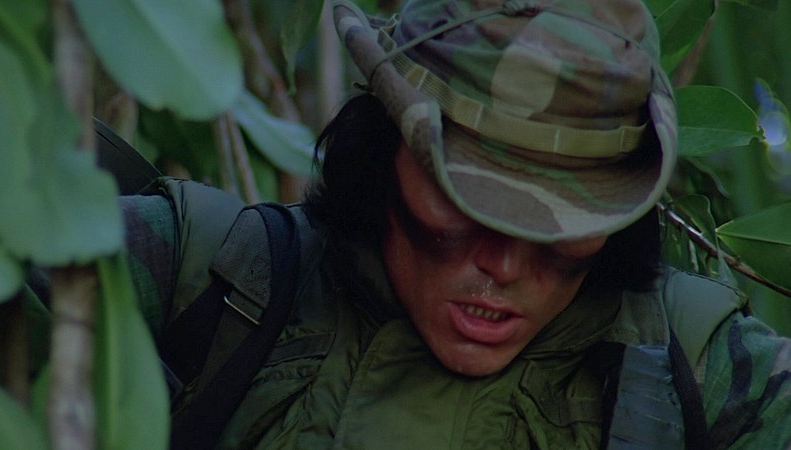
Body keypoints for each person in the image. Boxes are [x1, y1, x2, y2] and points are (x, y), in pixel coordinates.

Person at [118, 0, 791, 448]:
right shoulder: (206, 274)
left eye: (558, 225)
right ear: (383, 153)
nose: (504, 265)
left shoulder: (699, 368)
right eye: (467, 203)